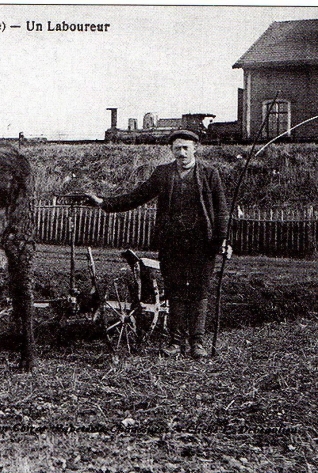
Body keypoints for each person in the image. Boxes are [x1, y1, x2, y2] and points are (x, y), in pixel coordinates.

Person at [86, 130, 228, 358]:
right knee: (175, 291)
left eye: (185, 148)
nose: (181, 153)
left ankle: (197, 343)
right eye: (176, 148)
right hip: (172, 244)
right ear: (171, 150)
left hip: (202, 244)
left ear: (195, 148)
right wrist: (105, 203)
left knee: (199, 292)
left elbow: (221, 211)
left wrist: (222, 241)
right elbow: (137, 196)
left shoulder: (210, 174)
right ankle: (175, 342)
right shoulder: (163, 174)